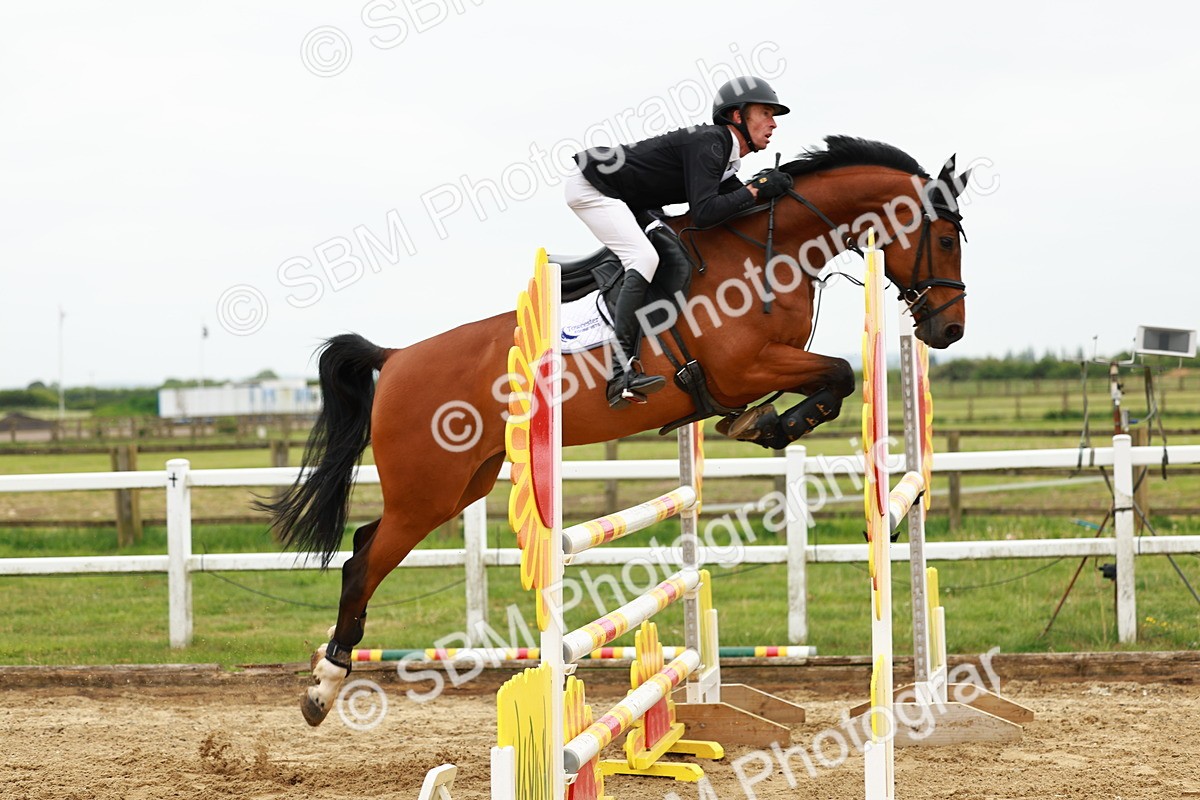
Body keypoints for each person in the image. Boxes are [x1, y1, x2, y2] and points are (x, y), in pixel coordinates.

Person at [565, 76, 795, 409]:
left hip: (629, 198)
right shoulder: (711, 144)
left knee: (671, 252)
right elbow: (704, 213)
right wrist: (756, 189)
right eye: (765, 113)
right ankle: (621, 373)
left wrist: (771, 190)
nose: (773, 124)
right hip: (593, 187)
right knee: (643, 258)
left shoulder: (726, 158)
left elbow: (740, 204)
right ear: (737, 116)